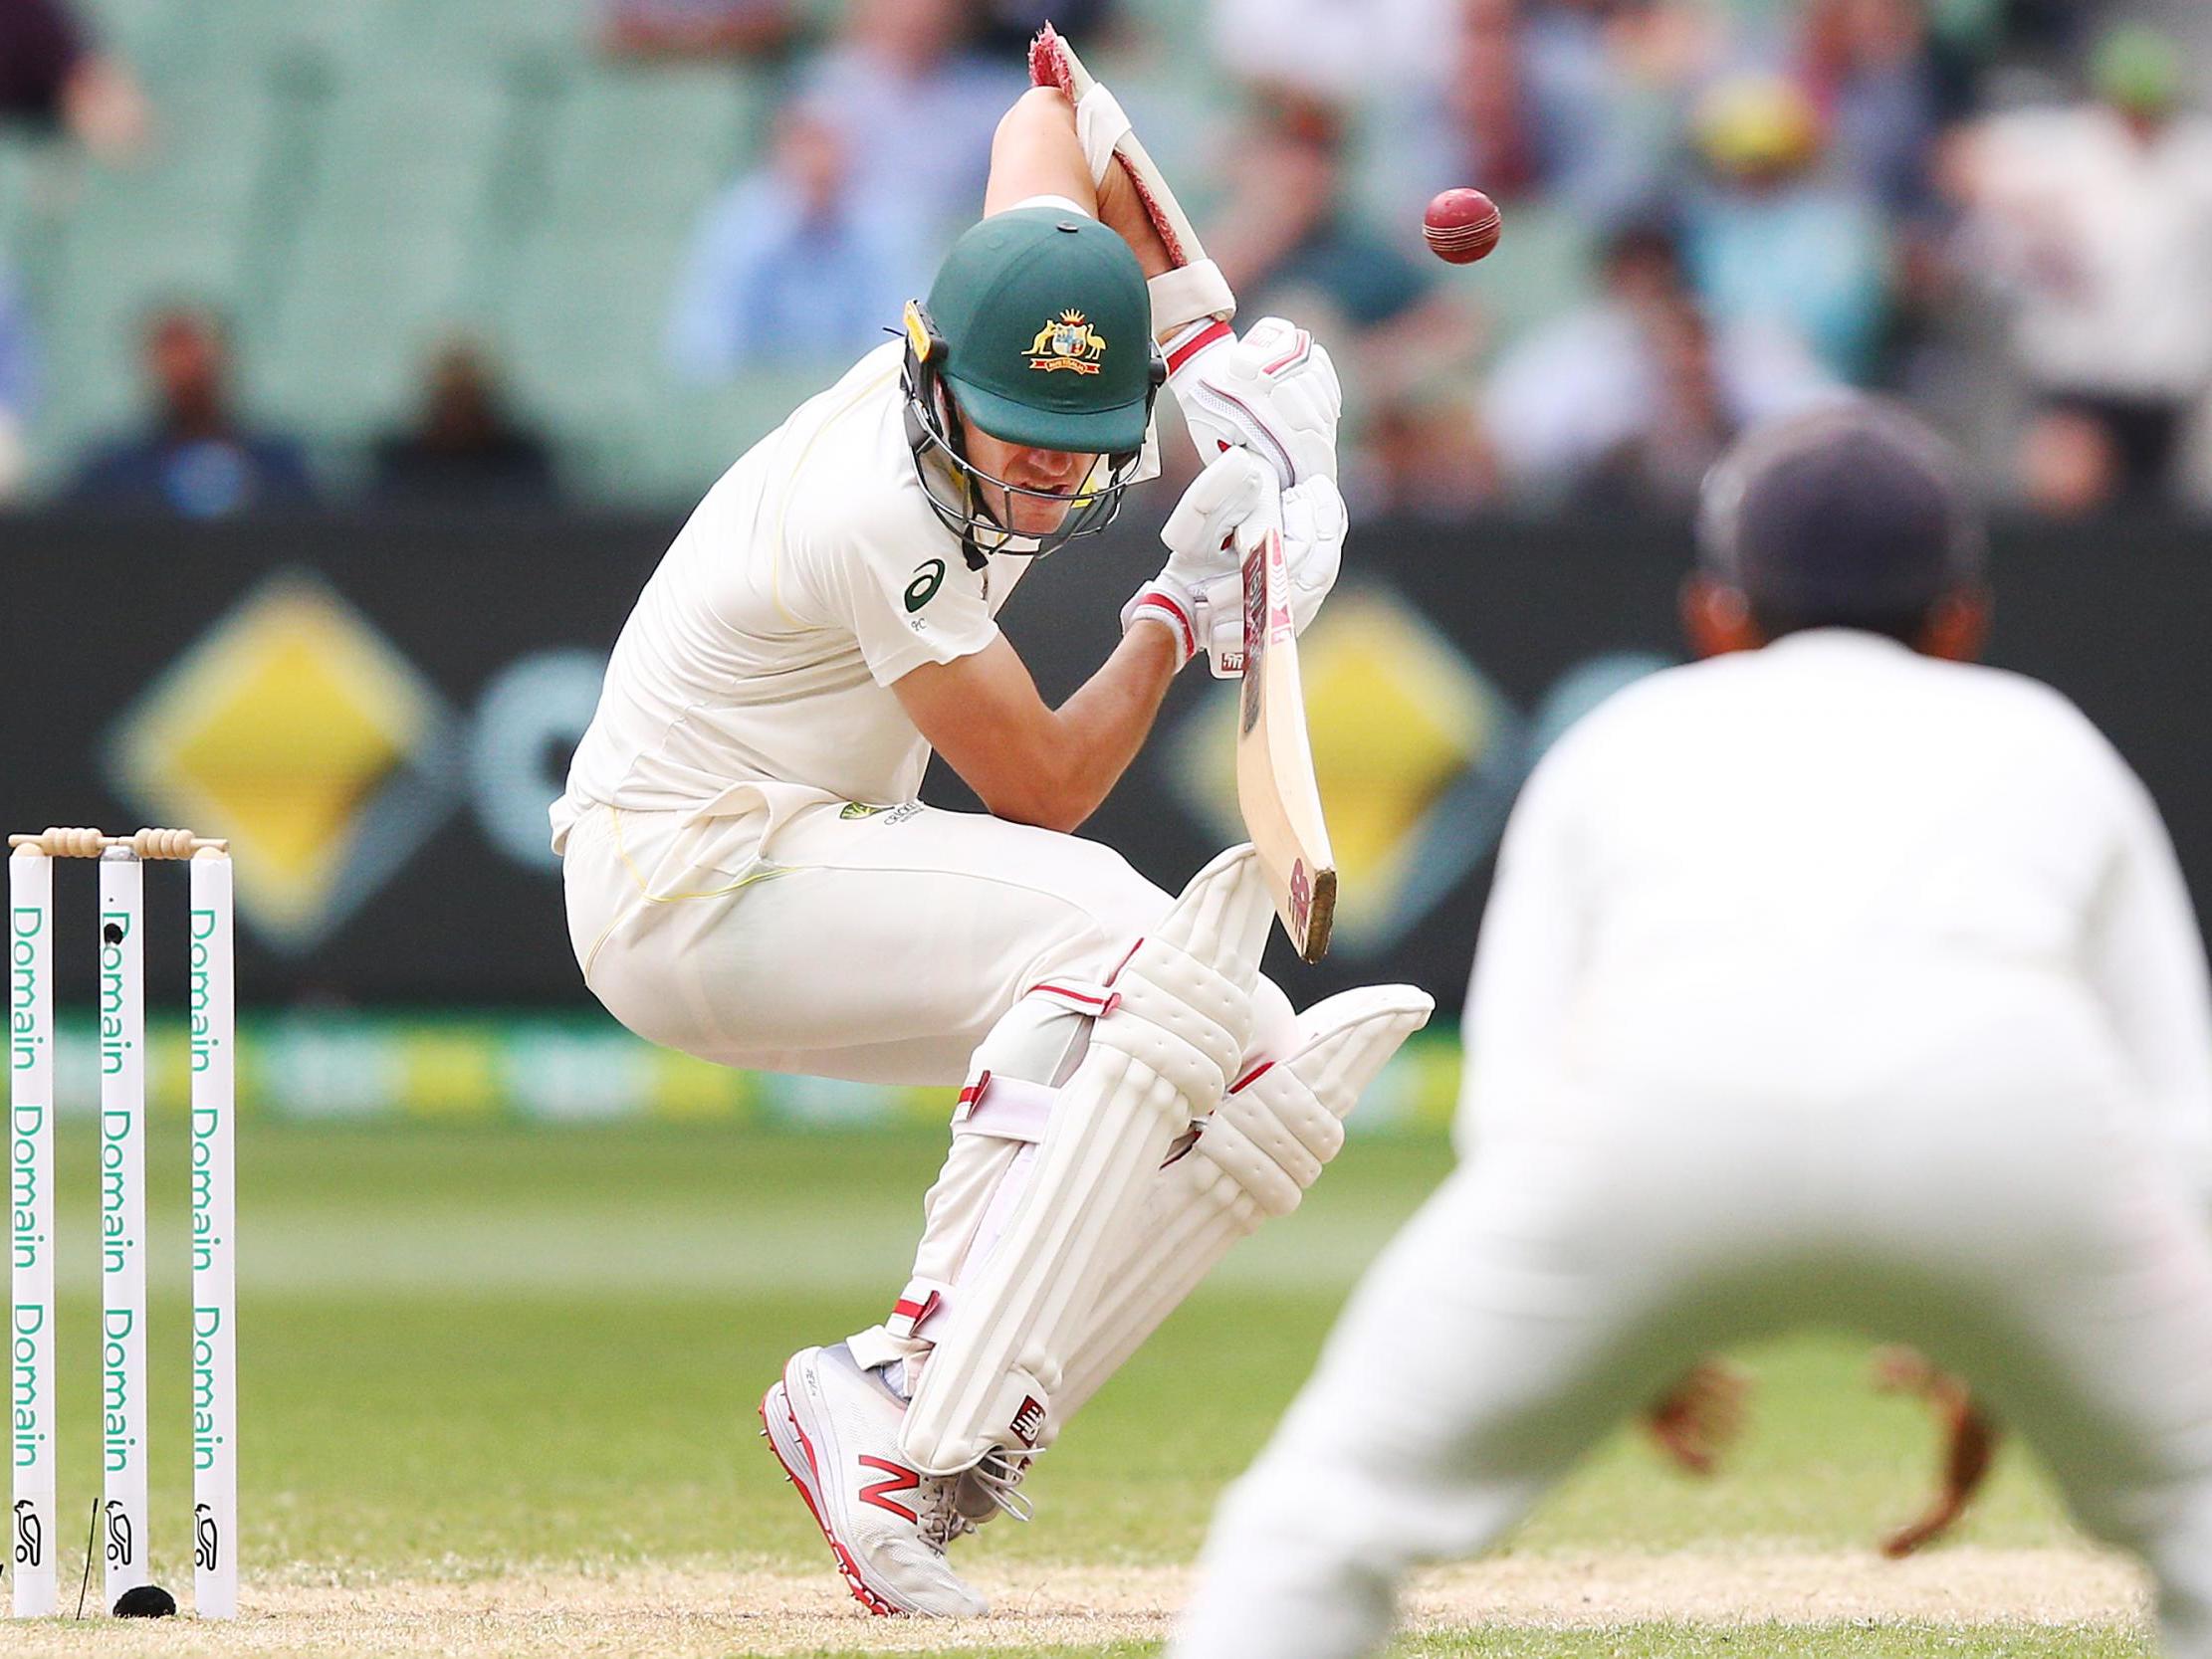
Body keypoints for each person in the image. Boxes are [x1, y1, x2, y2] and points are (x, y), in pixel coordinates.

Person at [553, 74, 1431, 1617]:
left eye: (1075, 448)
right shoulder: (875, 509)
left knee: (1241, 1055)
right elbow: (1039, 786)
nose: (1037, 474)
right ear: (929, 369)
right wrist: (1175, 604)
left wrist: (1206, 350)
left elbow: (1053, 102)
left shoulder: (1021, 299)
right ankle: (892, 1375)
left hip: (803, 839)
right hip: (685, 879)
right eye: (1015, 440)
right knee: (1120, 938)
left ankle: (953, 1442)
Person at [1171, 400, 2212, 1658]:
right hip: (2012, 1141)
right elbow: (2172, 1113)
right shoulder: (2052, 744)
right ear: (1960, 621)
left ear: (1714, 613)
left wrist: (1607, 1300)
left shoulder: (1618, 738)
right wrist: (2044, 1304)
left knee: (1313, 1527)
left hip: (1646, 1139)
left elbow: (1514, 1091)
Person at [1942, 24, 2212, 514]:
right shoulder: (2065, 146)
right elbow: (1960, 157)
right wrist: (2035, 219)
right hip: (2075, 375)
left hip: (2160, 383)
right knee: (2065, 511)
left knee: (2150, 527)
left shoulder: (2195, 156)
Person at [665, 101, 926, 380]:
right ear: (777, 155)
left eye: (830, 146)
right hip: (753, 400)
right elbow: (701, 348)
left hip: (851, 396)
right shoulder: (738, 226)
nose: (819, 163)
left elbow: (899, 348)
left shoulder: (890, 227)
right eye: (806, 146)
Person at [71, 305, 316, 517]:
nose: (186, 371)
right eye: (173, 356)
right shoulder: (117, 476)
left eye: (196, 355)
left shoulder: (277, 468)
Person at [369, 338, 558, 509]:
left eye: (467, 394)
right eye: (452, 395)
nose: (459, 407)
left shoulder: (524, 461)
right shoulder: (399, 463)